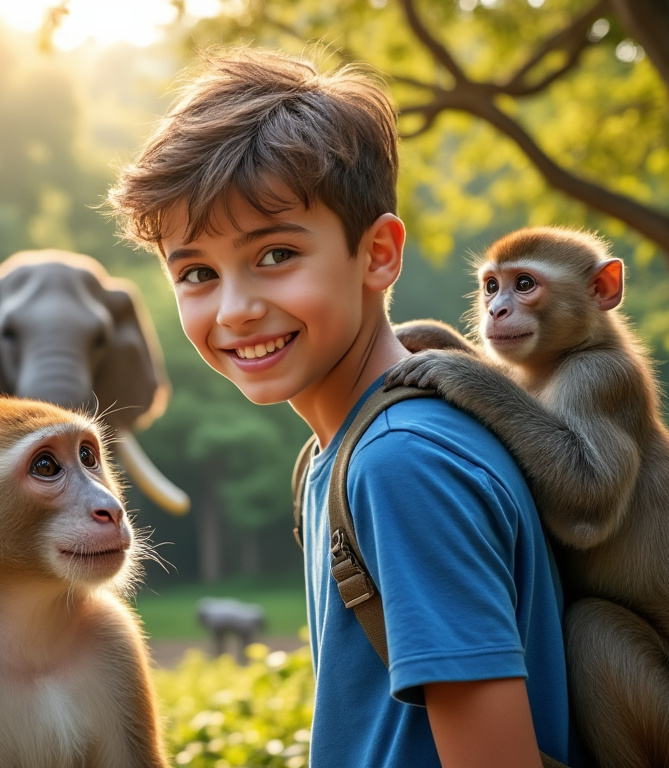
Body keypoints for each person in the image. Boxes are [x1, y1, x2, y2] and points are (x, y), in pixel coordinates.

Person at [107, 51, 580, 768]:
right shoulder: (354, 450)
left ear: (379, 254)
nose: (235, 310)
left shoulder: (402, 462)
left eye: (274, 255)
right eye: (197, 273)